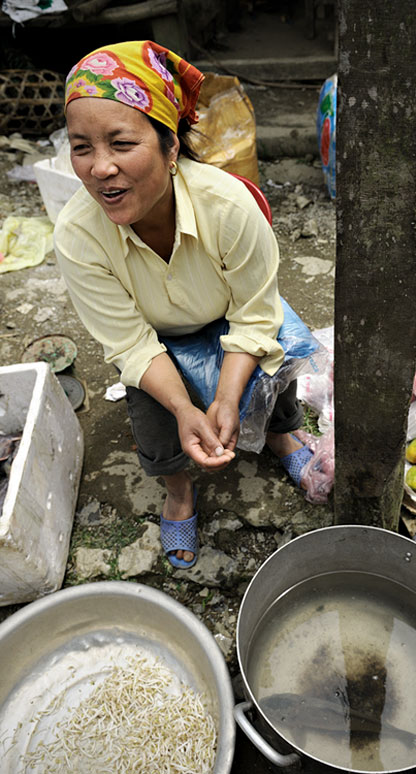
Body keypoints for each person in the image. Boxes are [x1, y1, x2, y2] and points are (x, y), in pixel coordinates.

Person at [54, 40, 315, 570]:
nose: (100, 168)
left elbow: (253, 314)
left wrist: (225, 396)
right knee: (153, 409)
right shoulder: (78, 235)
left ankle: (283, 436)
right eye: (82, 147)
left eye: (121, 143)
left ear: (170, 147)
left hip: (228, 316)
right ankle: (178, 490)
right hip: (156, 338)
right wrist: (184, 407)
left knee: (274, 357)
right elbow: (129, 341)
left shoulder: (230, 207)